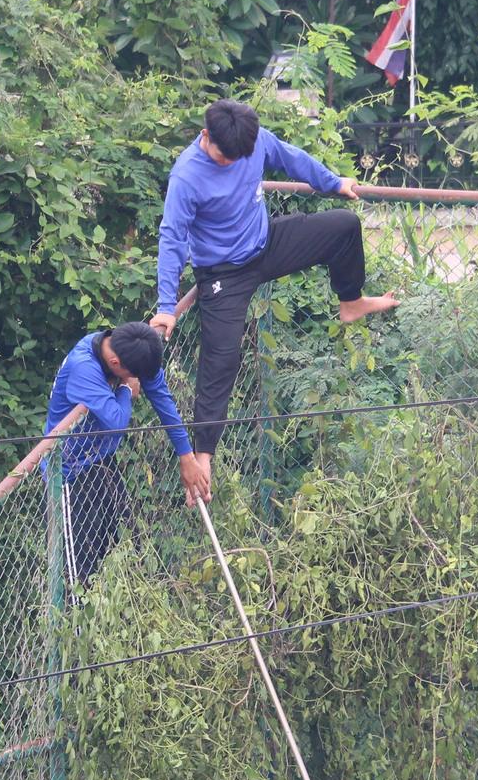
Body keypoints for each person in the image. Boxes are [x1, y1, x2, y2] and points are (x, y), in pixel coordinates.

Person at [149, 99, 397, 493]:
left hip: (266, 244)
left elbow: (291, 158)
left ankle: (351, 303)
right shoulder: (186, 177)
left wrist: (334, 182)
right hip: (222, 274)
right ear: (206, 134)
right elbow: (172, 239)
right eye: (223, 156)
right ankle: (203, 457)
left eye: (238, 158)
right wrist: (166, 307)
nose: (230, 163)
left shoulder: (254, 139)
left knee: (344, 227)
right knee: (222, 358)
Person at [45, 321, 208, 583]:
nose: (139, 380)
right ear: (116, 364)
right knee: (80, 570)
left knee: (120, 546)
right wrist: (124, 388)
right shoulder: (83, 367)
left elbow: (161, 397)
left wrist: (186, 456)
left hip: (101, 461)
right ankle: (77, 624)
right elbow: (116, 422)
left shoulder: (130, 346)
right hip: (69, 473)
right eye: (135, 375)